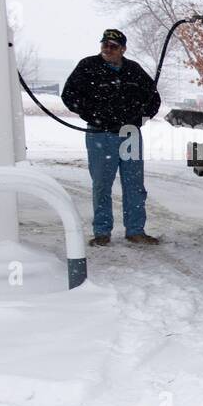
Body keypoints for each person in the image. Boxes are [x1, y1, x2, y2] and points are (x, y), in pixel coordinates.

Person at [61, 29, 162, 246]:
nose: (108, 48)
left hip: (130, 136)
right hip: (101, 135)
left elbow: (153, 98)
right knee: (102, 184)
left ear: (123, 49)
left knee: (135, 185)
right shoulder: (88, 67)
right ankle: (102, 232)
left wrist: (140, 119)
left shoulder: (133, 70)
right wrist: (92, 115)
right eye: (105, 44)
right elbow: (68, 95)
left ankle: (136, 231)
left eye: (113, 46)